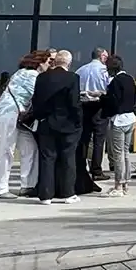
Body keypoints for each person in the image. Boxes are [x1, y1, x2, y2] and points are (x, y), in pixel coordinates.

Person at [0, 51, 47, 199]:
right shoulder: (31, 76)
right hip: (9, 114)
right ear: (39, 63)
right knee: (6, 150)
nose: (48, 65)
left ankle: (28, 186)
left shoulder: (21, 72)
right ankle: (0, 188)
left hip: (12, 115)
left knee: (30, 147)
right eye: (47, 62)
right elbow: (40, 94)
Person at [25, 51, 81, 205]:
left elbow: (36, 100)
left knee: (47, 158)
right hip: (67, 123)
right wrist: (78, 121)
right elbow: (74, 103)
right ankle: (68, 193)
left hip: (46, 122)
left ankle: (45, 195)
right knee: (68, 158)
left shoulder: (42, 77)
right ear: (68, 63)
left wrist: (39, 116)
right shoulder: (72, 78)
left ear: (55, 62)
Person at [97, 56, 136, 196]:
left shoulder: (115, 82)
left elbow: (113, 102)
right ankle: (125, 183)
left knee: (118, 154)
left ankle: (118, 185)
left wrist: (102, 98)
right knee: (126, 153)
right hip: (131, 118)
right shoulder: (130, 79)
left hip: (119, 119)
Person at [77, 48, 112, 180]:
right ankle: (96, 170)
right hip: (99, 105)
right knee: (99, 139)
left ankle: (81, 168)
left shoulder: (81, 70)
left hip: (84, 104)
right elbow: (108, 88)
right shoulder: (104, 71)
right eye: (106, 56)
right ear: (102, 56)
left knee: (84, 138)